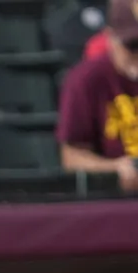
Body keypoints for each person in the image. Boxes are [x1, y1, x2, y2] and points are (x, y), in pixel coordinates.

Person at [56, 0, 138, 194]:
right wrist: (115, 168)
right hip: (114, 200)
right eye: (132, 45)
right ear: (109, 37)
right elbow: (71, 156)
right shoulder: (86, 79)